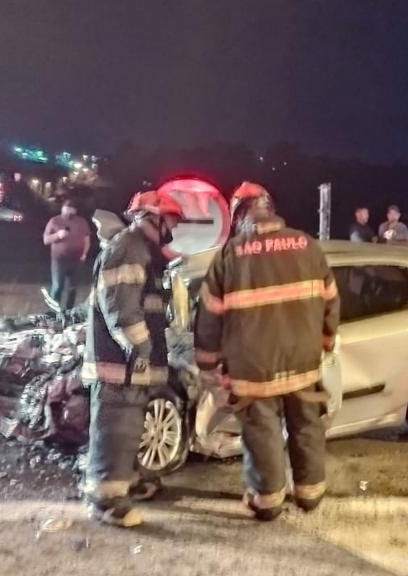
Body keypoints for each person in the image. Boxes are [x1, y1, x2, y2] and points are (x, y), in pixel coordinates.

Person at [194, 182, 340, 522]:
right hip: (303, 361)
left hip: (253, 368)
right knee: (306, 425)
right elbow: (331, 300)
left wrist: (207, 362)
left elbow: (209, 318)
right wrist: (326, 342)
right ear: (269, 207)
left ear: (241, 215)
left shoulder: (230, 256)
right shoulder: (307, 245)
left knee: (263, 432)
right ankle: (310, 494)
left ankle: (268, 501)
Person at [80, 189, 184, 528]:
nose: (172, 228)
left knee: (130, 429)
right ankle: (106, 500)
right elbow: (121, 311)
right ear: (152, 217)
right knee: (116, 428)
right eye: (169, 221)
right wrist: (138, 349)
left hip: (133, 365)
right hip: (119, 365)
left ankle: (129, 480)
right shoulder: (128, 248)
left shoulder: (144, 251)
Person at [42, 198, 92, 310]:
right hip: (59, 260)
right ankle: (53, 311)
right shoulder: (54, 221)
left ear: (75, 210)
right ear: (62, 209)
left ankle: (69, 311)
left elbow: (87, 240)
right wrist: (57, 235)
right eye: (66, 208)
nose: (68, 211)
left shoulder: (82, 222)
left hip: (77, 260)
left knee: (73, 288)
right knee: (58, 287)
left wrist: (84, 254)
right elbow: (45, 240)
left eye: (71, 209)